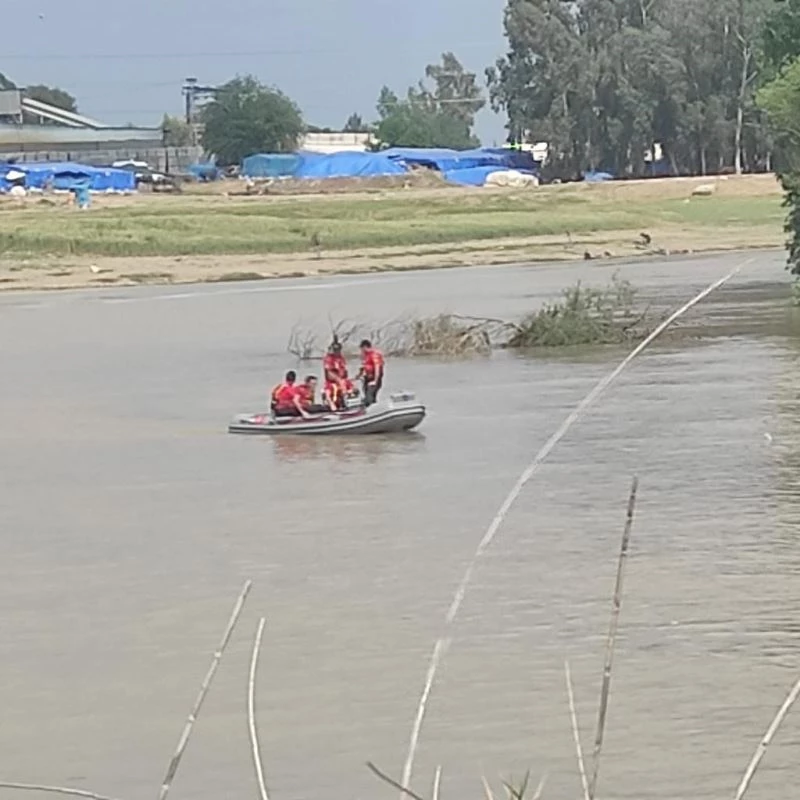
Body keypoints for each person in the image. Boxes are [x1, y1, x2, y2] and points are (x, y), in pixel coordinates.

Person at [357, 339, 384, 406]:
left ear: (365, 347)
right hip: (367, 378)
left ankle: (371, 408)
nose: (361, 351)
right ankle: (370, 406)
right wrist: (359, 375)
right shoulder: (365, 356)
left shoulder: (374, 355)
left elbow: (377, 368)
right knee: (367, 395)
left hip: (374, 378)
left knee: (370, 396)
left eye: (362, 348)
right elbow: (364, 366)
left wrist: (375, 381)